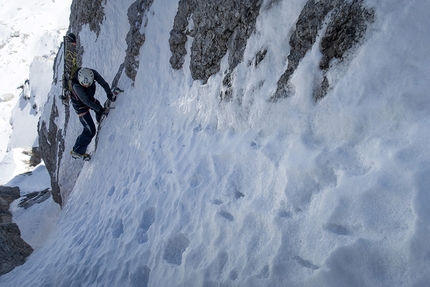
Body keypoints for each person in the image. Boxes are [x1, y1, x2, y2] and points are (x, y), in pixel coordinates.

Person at [69, 67, 115, 160]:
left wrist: (109, 93)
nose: (86, 86)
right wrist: (100, 110)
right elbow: (86, 102)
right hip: (79, 106)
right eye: (85, 85)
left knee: (97, 106)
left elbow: (103, 83)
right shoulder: (76, 87)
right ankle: (77, 151)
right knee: (90, 130)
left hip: (88, 99)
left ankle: (100, 120)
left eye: (88, 85)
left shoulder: (92, 73)